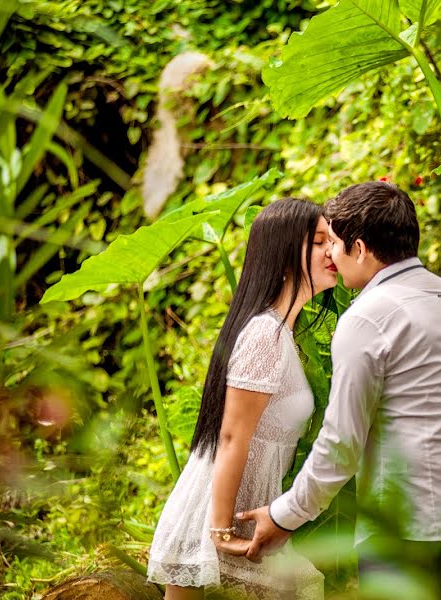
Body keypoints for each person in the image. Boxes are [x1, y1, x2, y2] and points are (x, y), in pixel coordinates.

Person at [238, 182, 441, 600]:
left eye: (334, 244)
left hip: (402, 529)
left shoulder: (368, 318)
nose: (331, 256)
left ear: (359, 248)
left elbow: (341, 444)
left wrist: (284, 516)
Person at [147, 199, 337, 600]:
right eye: (319, 241)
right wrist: (218, 531)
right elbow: (232, 436)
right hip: (223, 512)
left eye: (332, 240)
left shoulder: (280, 333)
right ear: (286, 253)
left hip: (251, 510)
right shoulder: (264, 334)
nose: (331, 250)